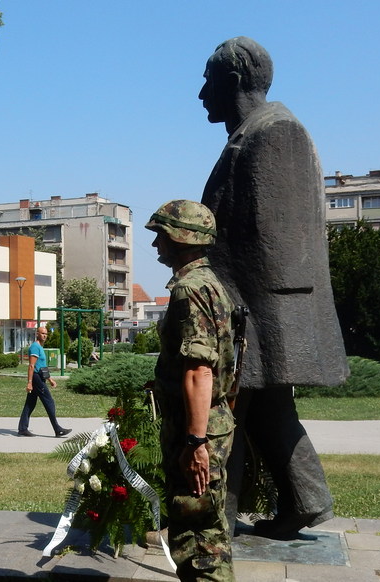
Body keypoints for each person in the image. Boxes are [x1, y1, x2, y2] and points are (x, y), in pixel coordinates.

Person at [198, 37, 348, 539]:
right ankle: (306, 500)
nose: (201, 94)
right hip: (255, 306)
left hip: (258, 309)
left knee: (236, 409)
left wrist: (215, 286)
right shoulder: (253, 134)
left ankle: (217, 518)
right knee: (265, 411)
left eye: (208, 80)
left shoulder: (274, 132)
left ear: (234, 81)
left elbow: (274, 238)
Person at [146, 200, 236, 581]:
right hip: (210, 424)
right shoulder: (213, 285)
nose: (156, 246)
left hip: (196, 431)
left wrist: (196, 442)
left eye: (161, 236)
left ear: (180, 237)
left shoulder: (190, 289)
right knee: (209, 531)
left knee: (199, 543)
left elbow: (201, 370)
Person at [17, 326, 71, 438]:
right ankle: (57, 429)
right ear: (37, 334)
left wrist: (50, 379)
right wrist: (29, 382)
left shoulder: (40, 347)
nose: (45, 335)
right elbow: (31, 366)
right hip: (36, 378)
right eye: (42, 333)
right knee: (49, 402)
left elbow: (43, 367)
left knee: (30, 403)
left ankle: (22, 429)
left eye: (46, 333)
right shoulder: (35, 347)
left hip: (40, 377)